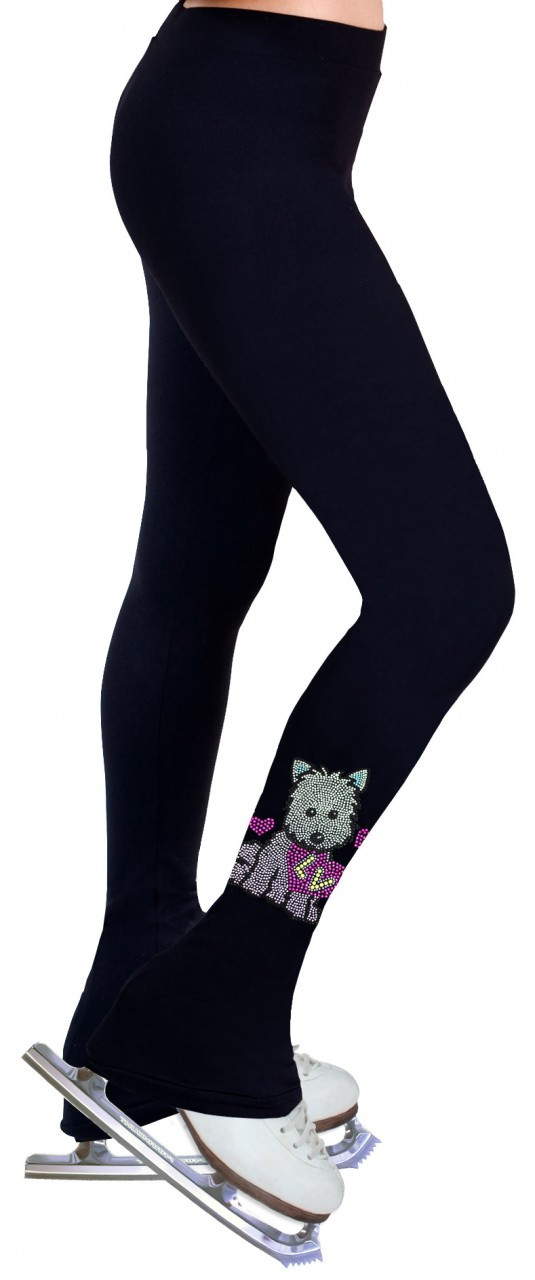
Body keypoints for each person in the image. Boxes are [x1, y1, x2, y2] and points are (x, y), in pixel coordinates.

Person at [55, 0, 515, 1222]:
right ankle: (227, 990)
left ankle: (142, 978)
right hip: (239, 128)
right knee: (445, 593)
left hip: (253, 118)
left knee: (198, 567)